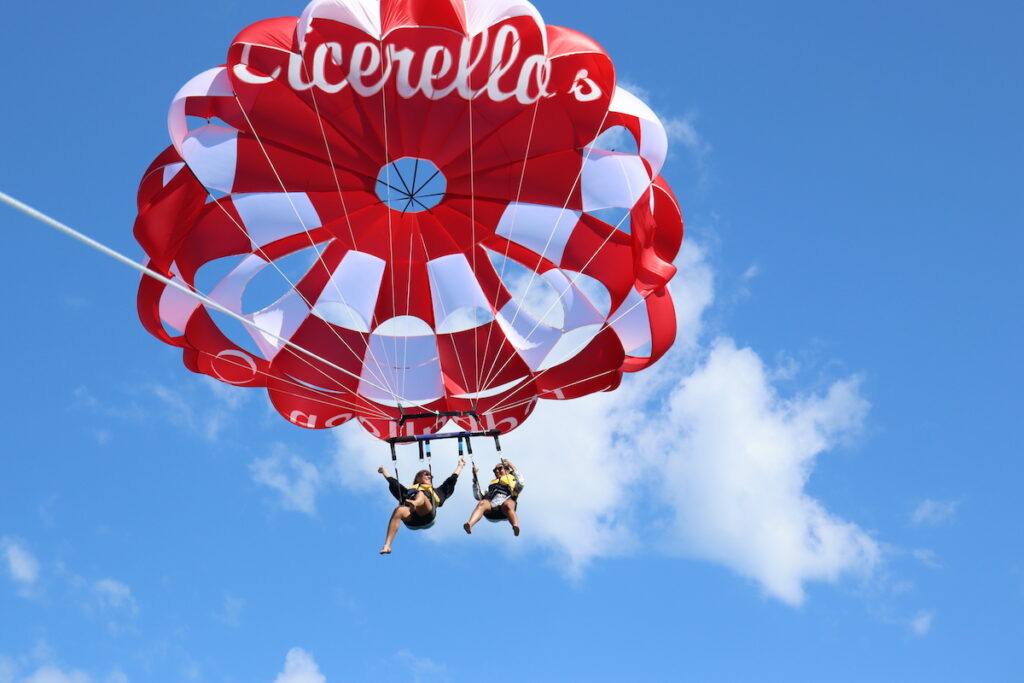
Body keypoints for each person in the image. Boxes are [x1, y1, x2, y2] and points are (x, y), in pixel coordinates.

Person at [378, 458, 465, 554]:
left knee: (421, 494)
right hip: (412, 520)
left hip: (427, 516)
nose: (429, 476)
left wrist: (460, 466)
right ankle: (387, 545)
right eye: (426, 474)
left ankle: (414, 504)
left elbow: (451, 480)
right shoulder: (407, 492)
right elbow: (393, 482)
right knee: (398, 510)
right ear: (417, 478)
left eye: (430, 475)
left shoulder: (438, 492)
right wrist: (383, 471)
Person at [463, 459, 524, 536]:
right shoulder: (491, 485)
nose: (497, 471)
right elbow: (478, 496)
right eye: (495, 470)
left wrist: (510, 464)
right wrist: (475, 478)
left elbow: (521, 482)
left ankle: (515, 526)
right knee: (482, 502)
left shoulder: (513, 480)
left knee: (508, 504)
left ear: (508, 471)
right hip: (492, 511)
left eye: (500, 468)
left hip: (506, 508)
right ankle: (469, 524)